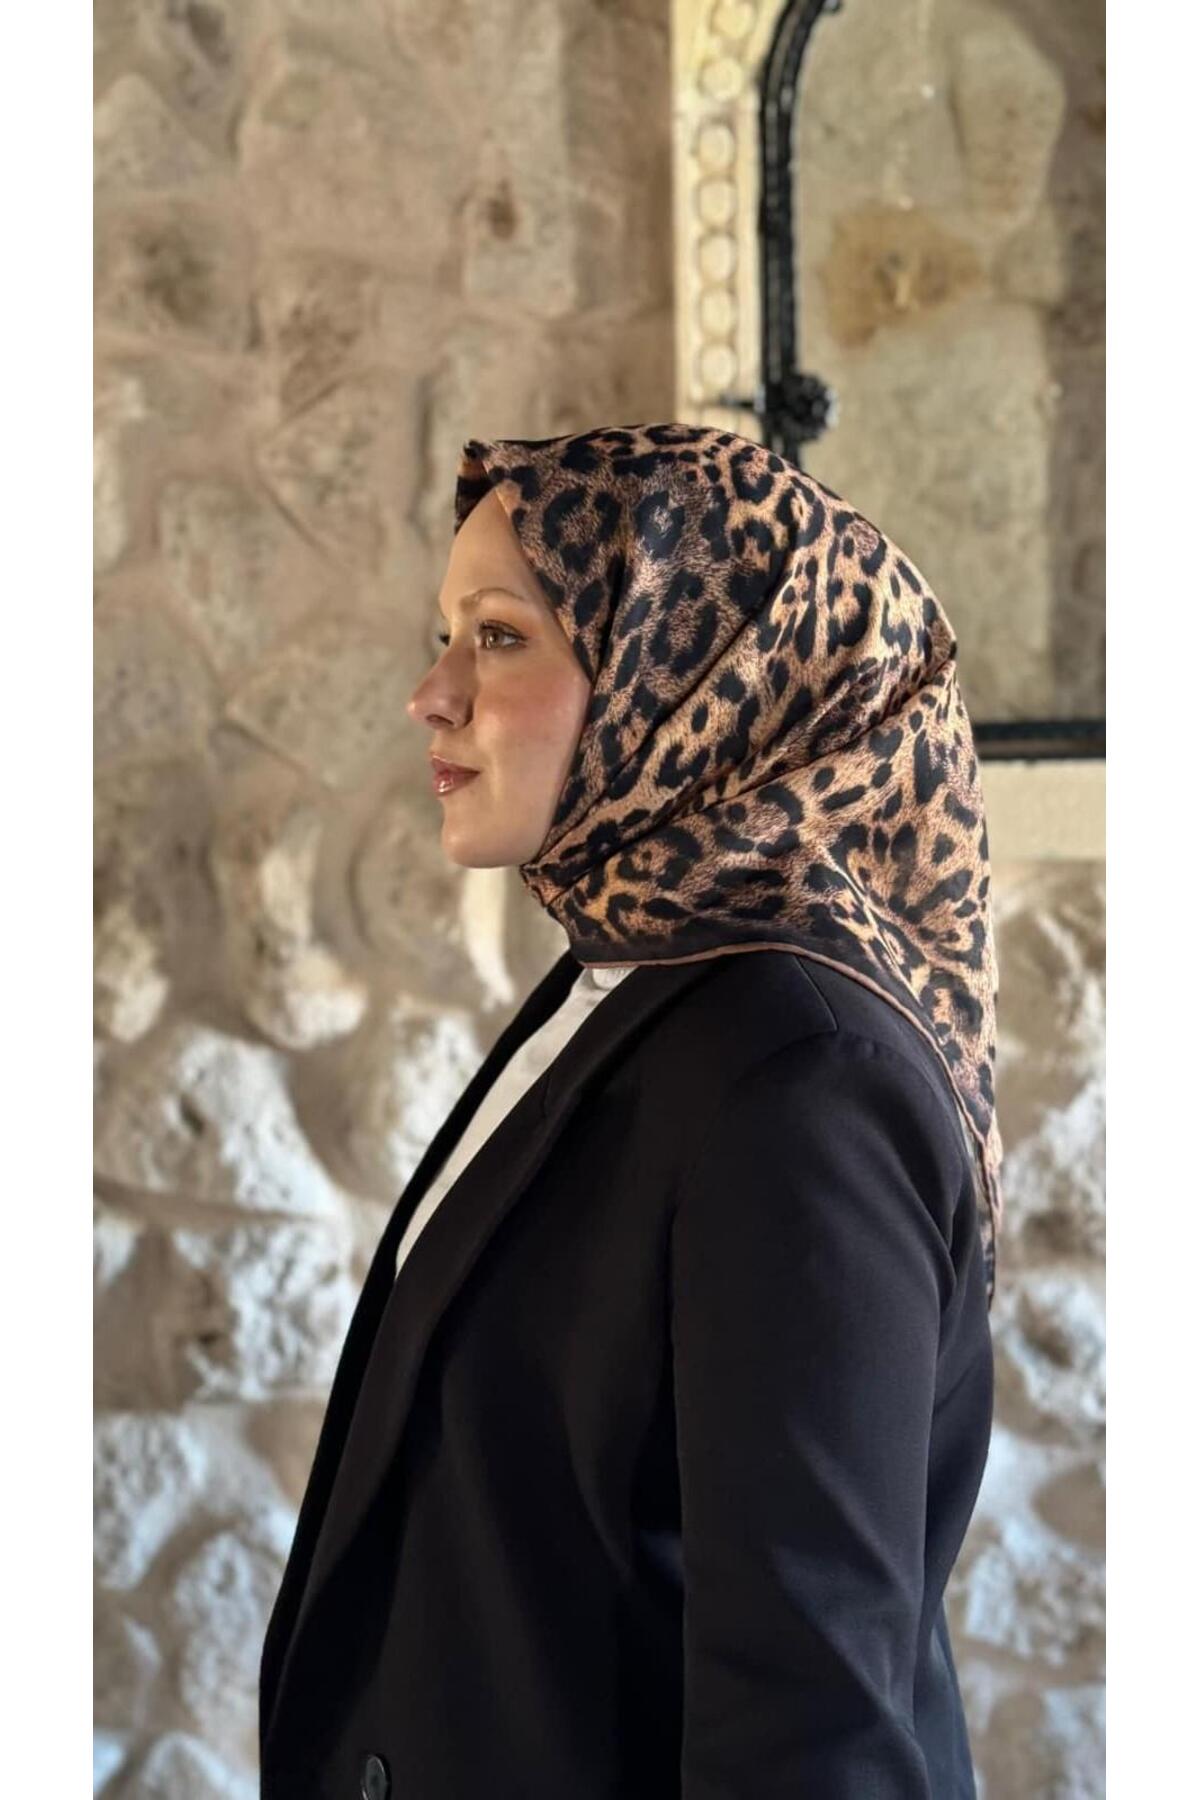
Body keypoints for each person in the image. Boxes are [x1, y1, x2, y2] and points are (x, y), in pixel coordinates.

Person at [259, 422, 1001, 1800]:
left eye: (498, 637)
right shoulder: (637, 978)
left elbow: (808, 1725)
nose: (431, 695)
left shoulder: (804, 1077)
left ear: (693, 668)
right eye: (445, 637)